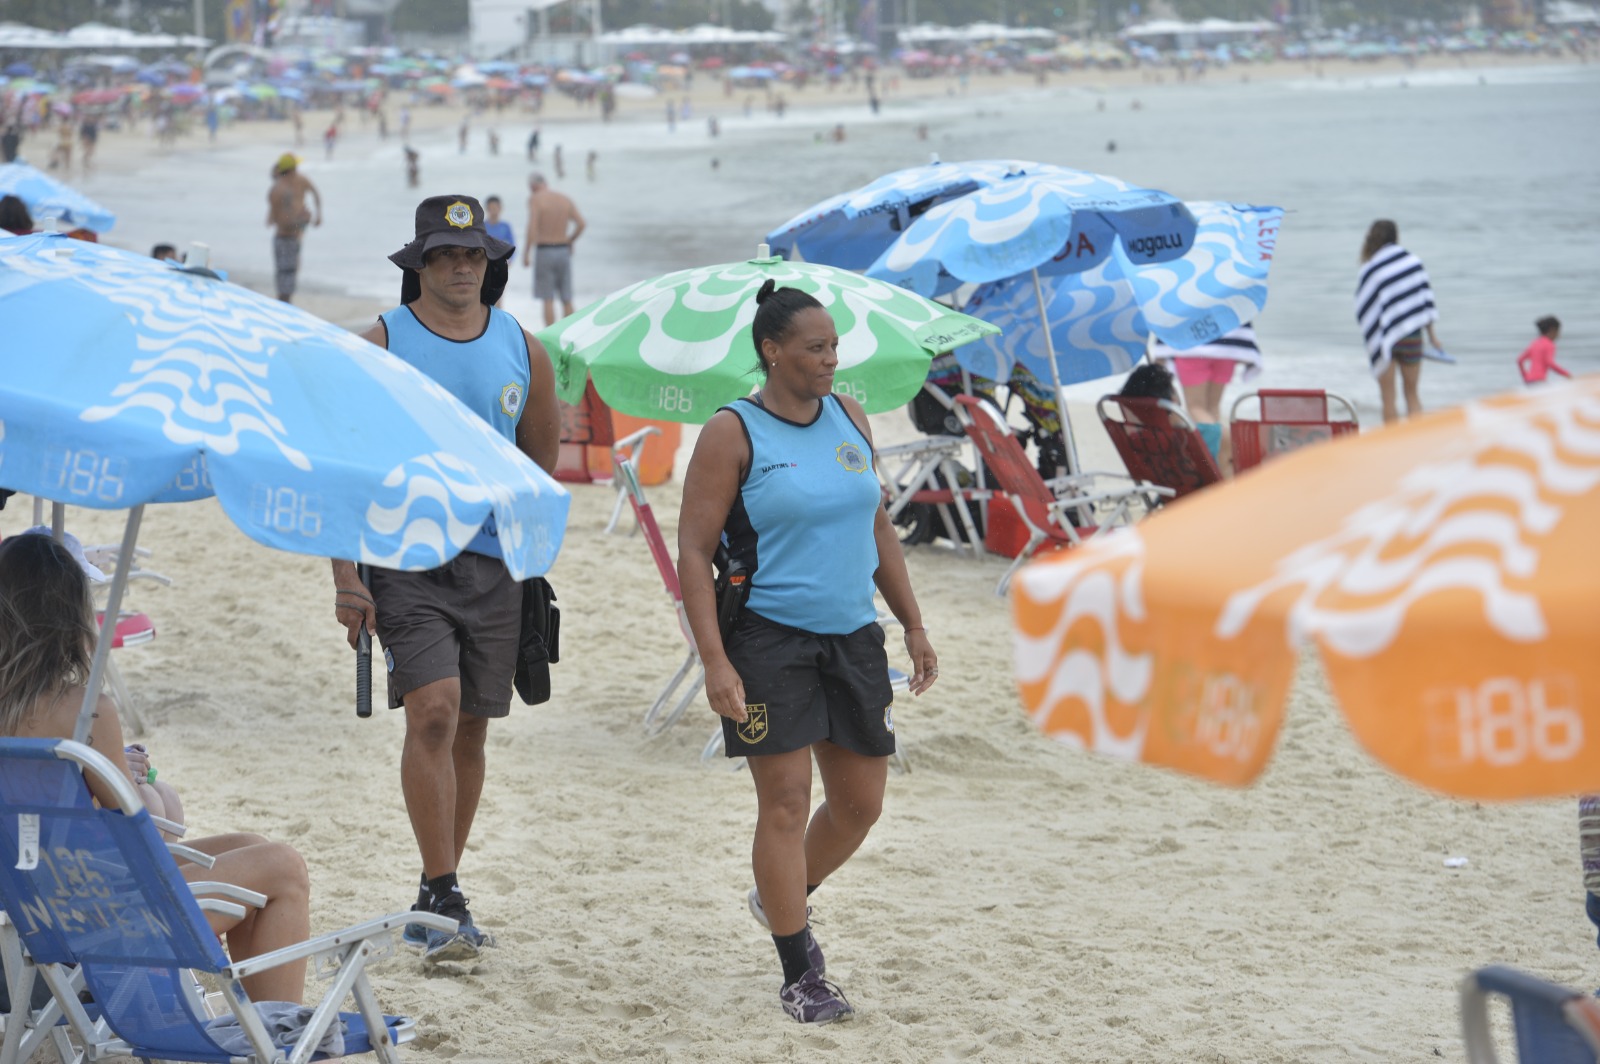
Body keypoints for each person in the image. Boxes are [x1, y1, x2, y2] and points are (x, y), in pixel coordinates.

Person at [676, 281, 938, 1025]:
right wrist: (714, 660)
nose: (831, 360)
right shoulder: (733, 431)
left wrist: (912, 624)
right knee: (786, 803)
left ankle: (779, 897)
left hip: (853, 635)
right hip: (765, 639)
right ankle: (801, 968)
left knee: (860, 806)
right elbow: (694, 552)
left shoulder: (848, 415)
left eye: (834, 346)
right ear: (772, 351)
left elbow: (879, 527)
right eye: (816, 348)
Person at [331, 195, 560, 965]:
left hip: (497, 565)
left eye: (474, 255)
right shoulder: (382, 343)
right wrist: (345, 577)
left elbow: (539, 467)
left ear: (489, 264)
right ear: (419, 265)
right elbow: (343, 467)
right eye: (446, 255)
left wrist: (532, 568)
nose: (462, 266)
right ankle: (443, 885)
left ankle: (439, 890)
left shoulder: (524, 349)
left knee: (470, 727)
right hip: (405, 559)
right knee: (432, 709)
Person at [0, 532, 312, 1004]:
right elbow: (139, 838)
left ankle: (265, 1032)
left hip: (30, 914)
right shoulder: (85, 712)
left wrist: (103, 769)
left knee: (249, 847)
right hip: (93, 931)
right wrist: (141, 784)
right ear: (69, 617)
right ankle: (279, 1039)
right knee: (283, 867)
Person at [1355, 219, 1442, 423]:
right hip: (1412, 336)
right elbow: (1425, 300)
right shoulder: (1413, 262)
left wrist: (1372, 336)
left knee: (1388, 399)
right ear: (1396, 236)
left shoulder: (1371, 268)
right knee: (1412, 394)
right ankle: (1415, 444)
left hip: (1384, 337)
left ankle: (1392, 449)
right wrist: (1433, 337)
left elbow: (1364, 306)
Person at [1151, 323, 1264, 475]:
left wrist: (1159, 356)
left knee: (1195, 408)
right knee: (1212, 408)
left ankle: (1219, 454)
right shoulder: (1221, 297)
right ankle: (1220, 460)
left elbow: (1172, 314)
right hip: (1226, 347)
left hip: (1192, 348)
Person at [521, 172, 585, 327]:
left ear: (533, 186)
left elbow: (533, 227)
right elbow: (581, 224)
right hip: (563, 251)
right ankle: (572, 334)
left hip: (545, 250)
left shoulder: (536, 199)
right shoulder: (564, 198)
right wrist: (570, 240)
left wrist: (527, 252)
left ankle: (550, 336)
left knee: (547, 298)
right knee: (566, 297)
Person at [265, 153, 322, 303]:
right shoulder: (278, 191)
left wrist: (318, 215)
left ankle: (284, 309)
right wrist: (303, 220)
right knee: (285, 286)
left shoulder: (299, 181)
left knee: (289, 279)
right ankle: (283, 312)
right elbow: (282, 223)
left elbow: (316, 193)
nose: (297, 171)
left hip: (293, 238)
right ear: (290, 171)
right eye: (295, 169)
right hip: (284, 240)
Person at [1517, 315, 1570, 386]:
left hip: (1529, 381)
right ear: (1552, 330)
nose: (1558, 335)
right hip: (1539, 381)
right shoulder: (1549, 344)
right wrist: (1566, 374)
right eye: (1558, 332)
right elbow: (1549, 362)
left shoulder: (1535, 343)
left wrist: (1525, 376)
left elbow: (1520, 360)